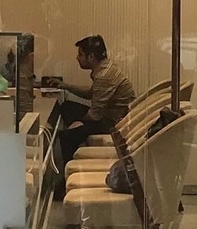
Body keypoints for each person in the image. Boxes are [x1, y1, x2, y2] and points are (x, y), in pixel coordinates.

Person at [45, 34, 136, 201]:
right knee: (67, 107)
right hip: (109, 117)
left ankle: (64, 181)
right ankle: (78, 139)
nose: (77, 58)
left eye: (80, 54)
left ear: (91, 57)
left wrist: (78, 123)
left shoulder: (104, 76)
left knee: (67, 137)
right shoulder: (106, 67)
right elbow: (91, 93)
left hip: (114, 124)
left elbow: (94, 115)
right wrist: (64, 86)